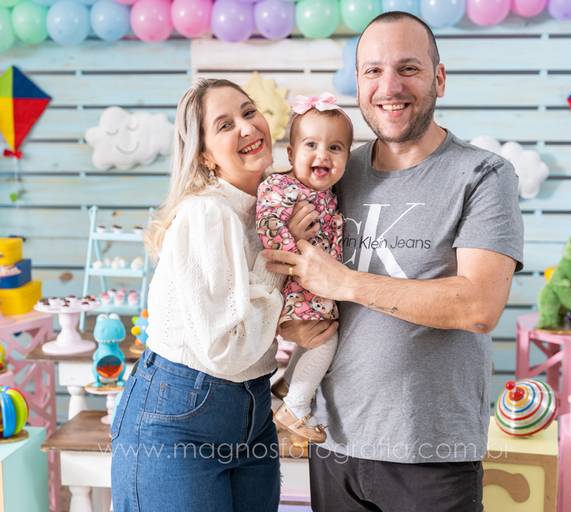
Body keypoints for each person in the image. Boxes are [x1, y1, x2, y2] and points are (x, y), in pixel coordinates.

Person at [263, 11, 524, 512]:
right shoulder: (336, 168)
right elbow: (280, 259)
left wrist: (345, 282)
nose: (389, 87)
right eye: (373, 71)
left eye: (408, 68)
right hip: (333, 441)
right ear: (358, 83)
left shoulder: (483, 174)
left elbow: (478, 306)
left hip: (430, 451)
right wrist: (291, 317)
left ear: (439, 79)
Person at [111, 78, 289, 512]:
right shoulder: (207, 213)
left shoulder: (268, 208)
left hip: (252, 411)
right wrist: (279, 258)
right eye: (225, 125)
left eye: (249, 112)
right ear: (205, 155)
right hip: (180, 418)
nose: (247, 127)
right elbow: (222, 350)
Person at [256, 92, 353, 443]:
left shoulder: (328, 194)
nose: (322, 154)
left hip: (313, 288)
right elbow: (268, 223)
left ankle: (286, 384)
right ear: (291, 154)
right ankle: (296, 407)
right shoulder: (283, 186)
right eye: (311, 144)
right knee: (325, 341)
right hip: (298, 286)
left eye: (335, 148)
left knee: (316, 339)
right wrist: (293, 254)